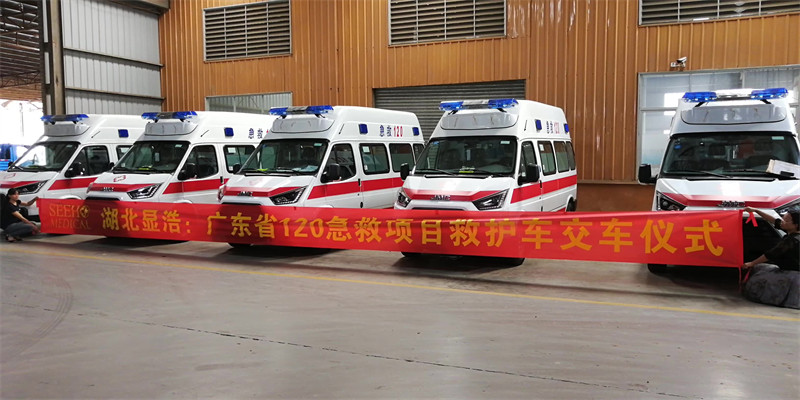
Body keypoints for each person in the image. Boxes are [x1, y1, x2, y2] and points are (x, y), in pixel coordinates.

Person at [741, 206, 800, 309]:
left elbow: (771, 254)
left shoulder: (792, 240)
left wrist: (752, 263)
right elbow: (774, 221)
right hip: (789, 269)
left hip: (793, 274)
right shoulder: (793, 232)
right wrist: (756, 210)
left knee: (759, 279)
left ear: (796, 225)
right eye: (783, 219)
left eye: (786, 220)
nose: (782, 222)